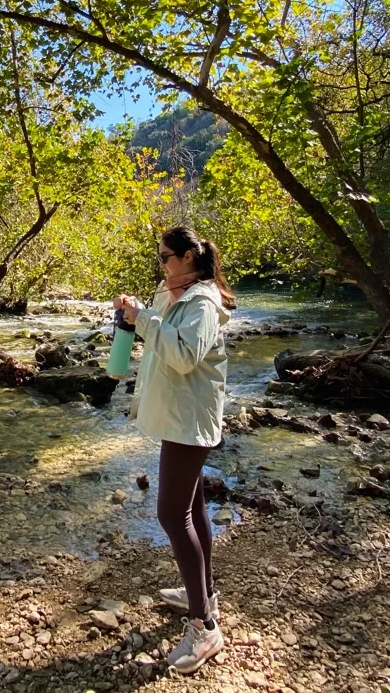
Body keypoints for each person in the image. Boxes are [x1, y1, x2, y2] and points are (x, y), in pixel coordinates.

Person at [113, 226, 236, 676]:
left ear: (189, 257)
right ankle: (200, 591)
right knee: (193, 506)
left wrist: (144, 319)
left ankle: (204, 627)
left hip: (189, 422)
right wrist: (133, 313)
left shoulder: (204, 303)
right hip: (178, 417)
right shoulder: (178, 292)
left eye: (166, 257)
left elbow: (183, 355)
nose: (161, 264)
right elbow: (155, 330)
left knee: (171, 514)